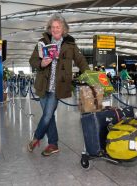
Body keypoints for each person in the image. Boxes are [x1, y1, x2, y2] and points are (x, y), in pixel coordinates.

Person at [27, 13, 89, 156]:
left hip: (58, 86)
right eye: (53, 27)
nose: (55, 29)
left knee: (47, 115)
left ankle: (36, 138)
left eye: (58, 27)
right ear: (50, 28)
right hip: (43, 85)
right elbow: (32, 61)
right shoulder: (42, 42)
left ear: (63, 29)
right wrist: (41, 63)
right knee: (48, 116)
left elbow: (80, 60)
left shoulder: (70, 44)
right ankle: (53, 144)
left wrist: (89, 74)